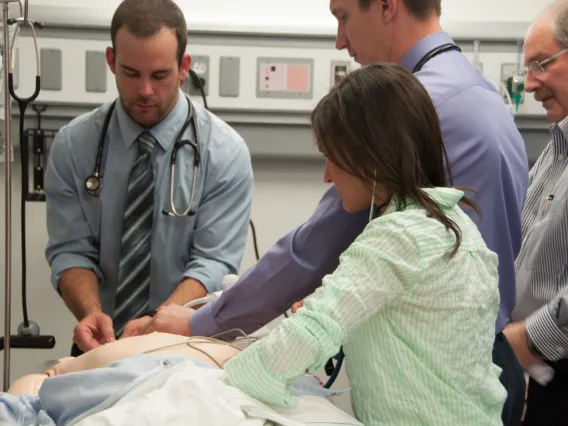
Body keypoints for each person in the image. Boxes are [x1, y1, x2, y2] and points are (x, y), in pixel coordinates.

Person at [146, 0, 529, 423]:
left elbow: (312, 260)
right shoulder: (477, 112)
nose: (340, 39)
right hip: (481, 382)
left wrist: (212, 352)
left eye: (343, 16)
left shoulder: (401, 207)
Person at [222, 63, 506, 425]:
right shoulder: (456, 226)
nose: (326, 175)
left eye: (331, 157)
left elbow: (304, 337)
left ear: (368, 159)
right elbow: (423, 337)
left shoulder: (398, 235)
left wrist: (223, 373)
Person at [43, 0, 253, 356]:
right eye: (130, 72)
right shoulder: (73, 146)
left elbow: (214, 261)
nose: (144, 90)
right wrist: (92, 314)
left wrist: (159, 324)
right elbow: (71, 250)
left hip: (184, 343)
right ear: (111, 61)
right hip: (101, 342)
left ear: (184, 67)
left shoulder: (224, 153)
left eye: (159, 75)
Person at [503, 2, 568, 424]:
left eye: (541, 64)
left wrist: (529, 337)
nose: (529, 84)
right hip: (542, 376)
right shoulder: (555, 150)